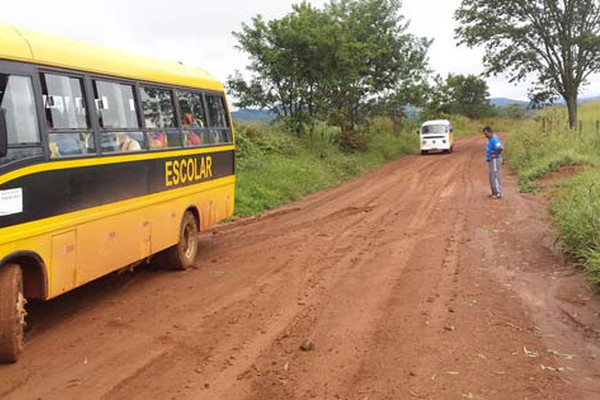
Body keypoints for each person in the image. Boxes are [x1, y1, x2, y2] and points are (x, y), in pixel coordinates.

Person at [483, 126, 503, 199]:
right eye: (484, 134)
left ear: (490, 132)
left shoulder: (494, 139)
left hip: (495, 160)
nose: (485, 135)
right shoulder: (489, 139)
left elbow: (500, 148)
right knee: (491, 176)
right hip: (491, 160)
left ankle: (498, 193)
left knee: (495, 176)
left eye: (486, 133)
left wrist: (496, 154)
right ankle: (494, 192)